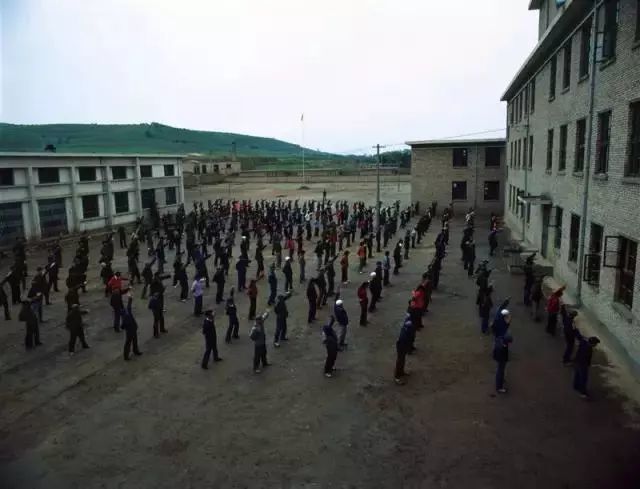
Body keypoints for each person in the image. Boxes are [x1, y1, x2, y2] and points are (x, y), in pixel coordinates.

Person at [573, 332, 600, 399]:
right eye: (595, 344)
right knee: (583, 378)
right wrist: (587, 365)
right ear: (592, 343)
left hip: (577, 361)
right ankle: (583, 393)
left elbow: (579, 336)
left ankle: (575, 386)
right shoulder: (588, 349)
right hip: (582, 364)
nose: (595, 345)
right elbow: (586, 358)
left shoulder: (583, 342)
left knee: (577, 374)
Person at [493, 314, 513, 394]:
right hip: (501, 353)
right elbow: (510, 339)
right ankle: (499, 387)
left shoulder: (499, 326)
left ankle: (500, 380)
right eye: (507, 318)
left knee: (500, 369)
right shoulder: (504, 332)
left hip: (498, 350)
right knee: (500, 370)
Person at [122, 292, 143, 360]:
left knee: (134, 340)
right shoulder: (125, 316)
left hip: (133, 328)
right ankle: (126, 356)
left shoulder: (128, 312)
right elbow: (123, 325)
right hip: (130, 330)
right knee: (128, 342)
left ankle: (135, 351)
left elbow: (129, 306)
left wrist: (130, 298)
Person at [395, 315, 414, 385]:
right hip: (402, 344)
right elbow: (406, 337)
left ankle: (401, 372)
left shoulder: (409, 322)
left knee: (402, 359)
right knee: (400, 360)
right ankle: (397, 377)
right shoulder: (409, 326)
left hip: (403, 344)